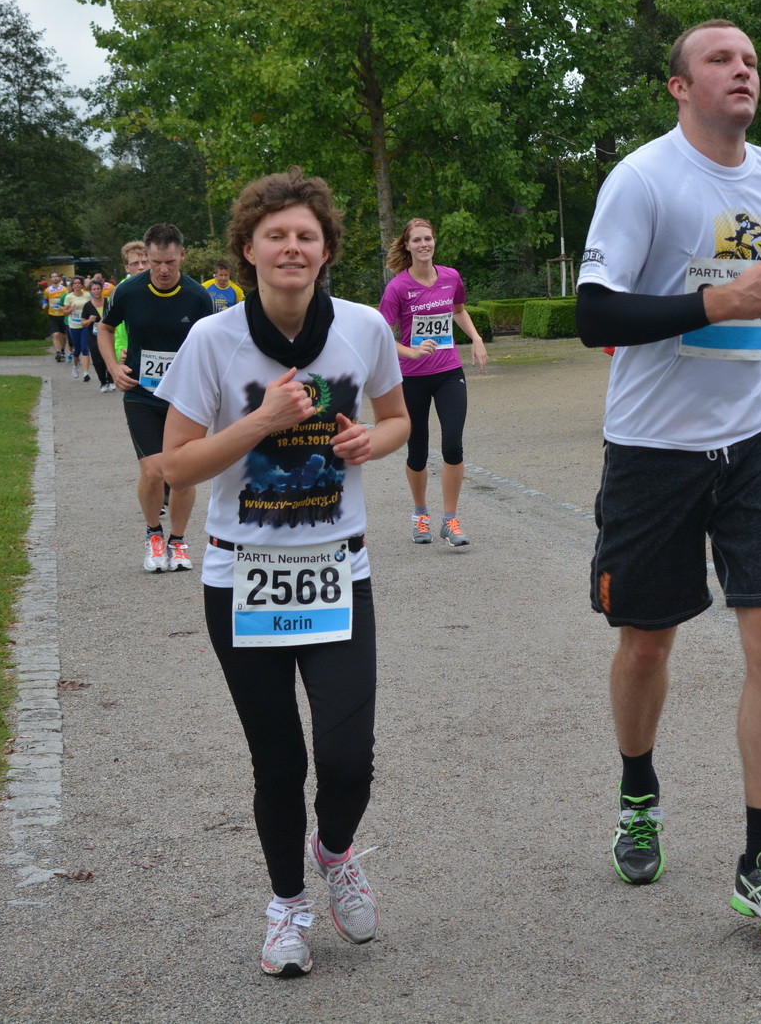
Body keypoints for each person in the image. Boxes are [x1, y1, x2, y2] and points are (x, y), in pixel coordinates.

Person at [572, 19, 761, 938]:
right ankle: (638, 790)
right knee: (647, 645)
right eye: (720, 59)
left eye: (752, 58)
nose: (742, 69)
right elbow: (593, 314)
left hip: (754, 439)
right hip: (651, 449)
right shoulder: (642, 178)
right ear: (679, 87)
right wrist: (715, 302)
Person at [158, 168, 409, 978]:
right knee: (278, 759)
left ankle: (333, 850)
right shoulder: (212, 340)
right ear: (247, 251)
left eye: (306, 235)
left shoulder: (365, 328)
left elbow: (398, 415)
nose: (292, 247)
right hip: (241, 576)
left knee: (346, 756)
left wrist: (376, 440)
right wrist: (262, 421)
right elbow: (174, 462)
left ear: (327, 249)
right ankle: (287, 907)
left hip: (338, 569)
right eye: (276, 235)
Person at [98, 223, 213, 572]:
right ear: (145, 257)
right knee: (153, 471)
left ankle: (178, 541)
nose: (163, 270)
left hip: (185, 397)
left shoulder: (198, 297)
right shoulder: (127, 292)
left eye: (171, 263)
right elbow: (104, 329)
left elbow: (212, 344)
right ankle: (153, 534)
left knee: (183, 474)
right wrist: (113, 369)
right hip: (141, 394)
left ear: (182, 256)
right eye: (155, 262)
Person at [377, 218, 487, 546]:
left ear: (433, 242)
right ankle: (420, 513)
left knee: (453, 444)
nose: (424, 244)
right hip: (412, 379)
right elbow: (382, 334)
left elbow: (459, 310)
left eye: (428, 239)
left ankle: (450, 519)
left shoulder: (451, 276)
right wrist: (410, 353)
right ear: (407, 246)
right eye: (417, 240)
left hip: (449, 373)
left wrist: (477, 339)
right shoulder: (398, 287)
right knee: (418, 451)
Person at [81, 285, 115, 391]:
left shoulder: (108, 302)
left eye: (98, 289)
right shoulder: (87, 306)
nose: (96, 291)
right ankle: (103, 382)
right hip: (94, 336)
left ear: (101, 290)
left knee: (109, 357)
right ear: (90, 291)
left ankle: (111, 380)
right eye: (94, 289)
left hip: (108, 335)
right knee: (97, 360)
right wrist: (89, 320)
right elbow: (83, 323)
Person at [63, 277, 96, 381]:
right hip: (74, 325)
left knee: (85, 348)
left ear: (82, 285)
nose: (77, 285)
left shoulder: (87, 295)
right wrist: (71, 309)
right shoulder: (69, 297)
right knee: (77, 350)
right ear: (72, 286)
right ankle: (75, 366)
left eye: (79, 283)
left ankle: (85, 373)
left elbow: (92, 306)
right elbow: (64, 312)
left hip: (85, 325)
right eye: (75, 283)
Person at [44, 273, 69, 362]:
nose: (55, 278)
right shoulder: (48, 290)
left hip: (62, 315)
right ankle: (57, 353)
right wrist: (45, 304)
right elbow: (44, 298)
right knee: (55, 334)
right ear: (50, 279)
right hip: (53, 315)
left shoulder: (64, 289)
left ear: (58, 278)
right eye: (53, 277)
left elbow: (67, 298)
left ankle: (62, 350)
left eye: (56, 277)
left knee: (63, 335)